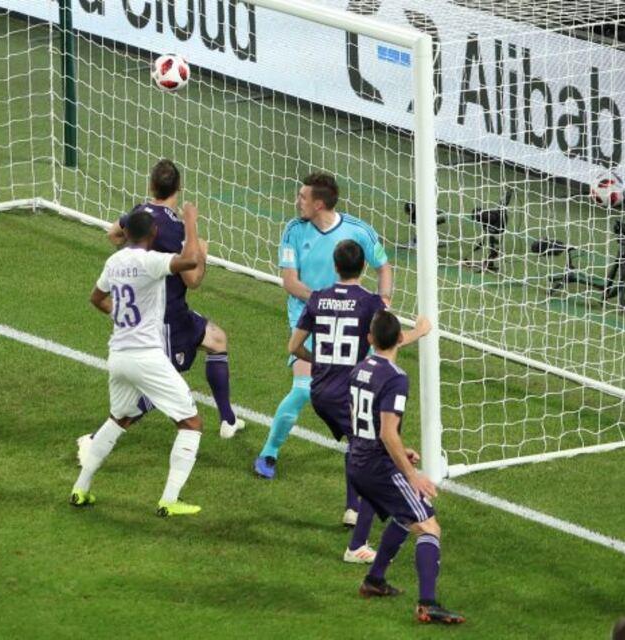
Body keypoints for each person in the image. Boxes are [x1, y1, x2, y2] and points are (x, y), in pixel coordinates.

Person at [80, 159, 243, 459]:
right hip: (166, 317)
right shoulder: (176, 227)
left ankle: (228, 420)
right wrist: (201, 252)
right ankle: (95, 439)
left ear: (151, 185)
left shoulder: (139, 213)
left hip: (174, 312)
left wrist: (133, 259)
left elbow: (113, 234)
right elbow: (193, 278)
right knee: (160, 389)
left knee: (217, 340)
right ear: (179, 188)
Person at [255, 172, 393, 503]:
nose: (296, 201)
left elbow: (384, 266)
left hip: (346, 326)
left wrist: (385, 302)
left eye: (302, 197)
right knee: (303, 389)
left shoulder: (358, 231)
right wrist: (326, 302)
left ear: (319, 203)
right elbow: (290, 281)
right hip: (307, 317)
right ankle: (269, 451)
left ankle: (360, 469)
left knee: (355, 397)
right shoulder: (293, 230)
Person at [289, 240, 428, 563]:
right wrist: (420, 331)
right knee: (374, 459)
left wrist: (320, 364)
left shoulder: (318, 298)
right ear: (364, 267)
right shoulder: (370, 302)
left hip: (320, 389)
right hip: (348, 391)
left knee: (358, 447)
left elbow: (294, 346)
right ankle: (357, 545)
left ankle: (353, 509)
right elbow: (388, 341)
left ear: (335, 266)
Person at [69, 203, 206, 517]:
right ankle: (170, 499)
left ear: (126, 233)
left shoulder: (114, 261)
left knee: (120, 418)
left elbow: (96, 298)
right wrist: (191, 224)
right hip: (146, 357)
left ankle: (80, 488)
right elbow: (190, 262)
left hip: (118, 355)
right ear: (154, 233)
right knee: (191, 422)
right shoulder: (151, 261)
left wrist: (122, 319)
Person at [347, 309, 464, 624]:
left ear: (370, 339)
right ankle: (428, 604)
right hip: (376, 466)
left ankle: (374, 581)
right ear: (400, 338)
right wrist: (413, 476)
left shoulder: (359, 369)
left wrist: (400, 450)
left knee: (403, 517)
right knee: (428, 525)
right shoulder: (396, 378)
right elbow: (386, 432)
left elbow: (367, 424)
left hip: (357, 461)